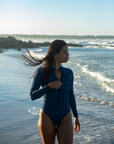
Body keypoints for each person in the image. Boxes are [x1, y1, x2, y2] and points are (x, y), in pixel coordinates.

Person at [22, 40, 80, 144]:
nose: (68, 54)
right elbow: (33, 95)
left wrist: (76, 116)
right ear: (55, 54)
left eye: (68, 52)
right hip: (47, 117)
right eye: (64, 52)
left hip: (65, 117)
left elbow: (71, 95)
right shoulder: (42, 72)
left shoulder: (69, 73)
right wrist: (49, 86)